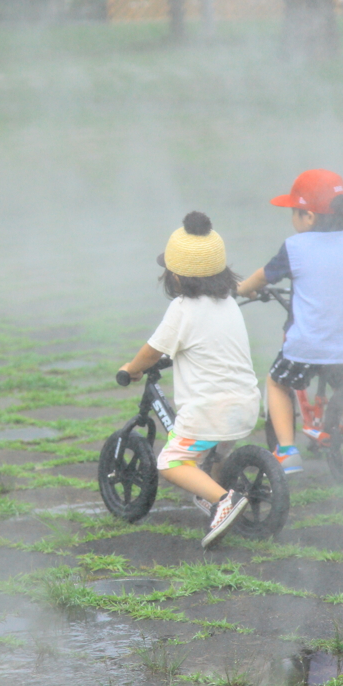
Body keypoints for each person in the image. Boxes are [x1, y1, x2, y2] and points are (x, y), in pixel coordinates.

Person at [119, 211, 261, 547]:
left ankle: (225, 501)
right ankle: (218, 495)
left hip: (208, 411)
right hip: (245, 406)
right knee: (215, 452)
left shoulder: (182, 309)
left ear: (177, 278)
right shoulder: (229, 303)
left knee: (170, 462)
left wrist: (132, 368)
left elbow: (152, 351)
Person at [236, 169, 343, 477]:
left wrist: (241, 289)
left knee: (277, 382)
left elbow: (262, 277)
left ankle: (286, 451)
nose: (292, 219)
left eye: (294, 212)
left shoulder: (295, 247)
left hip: (307, 346)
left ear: (309, 217)